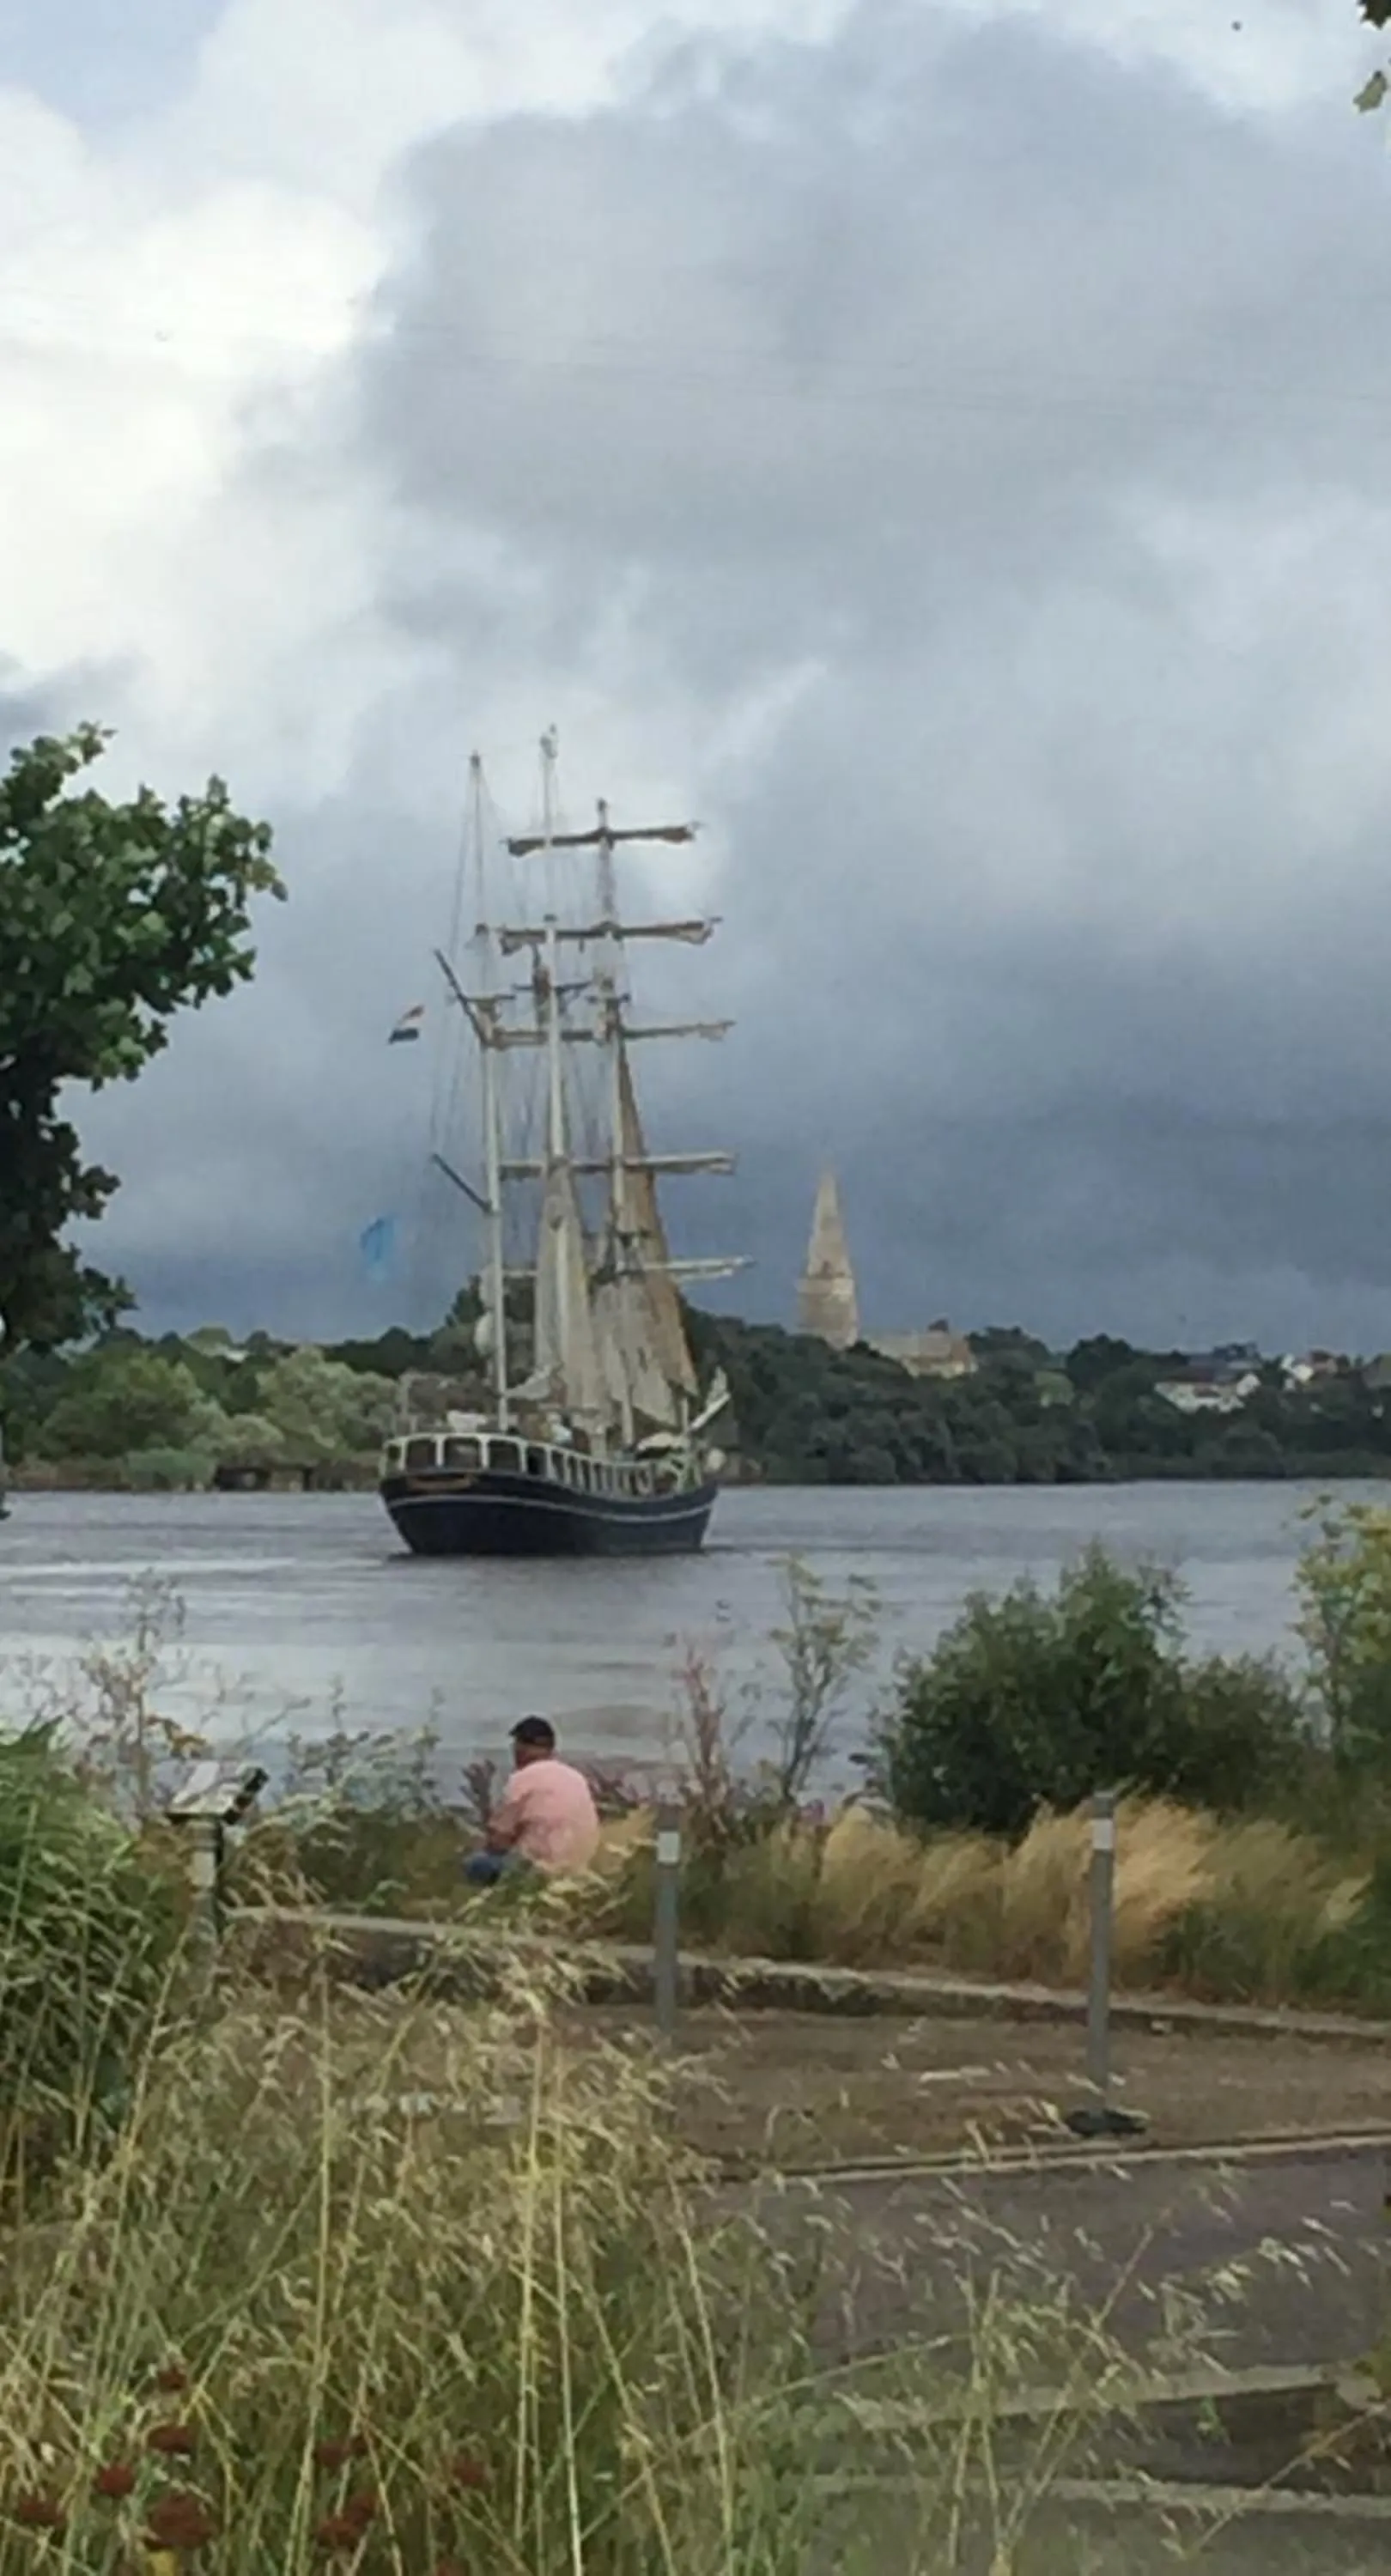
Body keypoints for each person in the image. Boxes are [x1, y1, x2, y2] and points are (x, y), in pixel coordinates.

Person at [464, 1716, 600, 1886]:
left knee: (478, 1863)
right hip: (581, 1866)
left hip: (541, 1869)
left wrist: (483, 1799)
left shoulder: (522, 1779)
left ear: (520, 1748)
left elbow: (498, 1841)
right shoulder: (576, 1777)